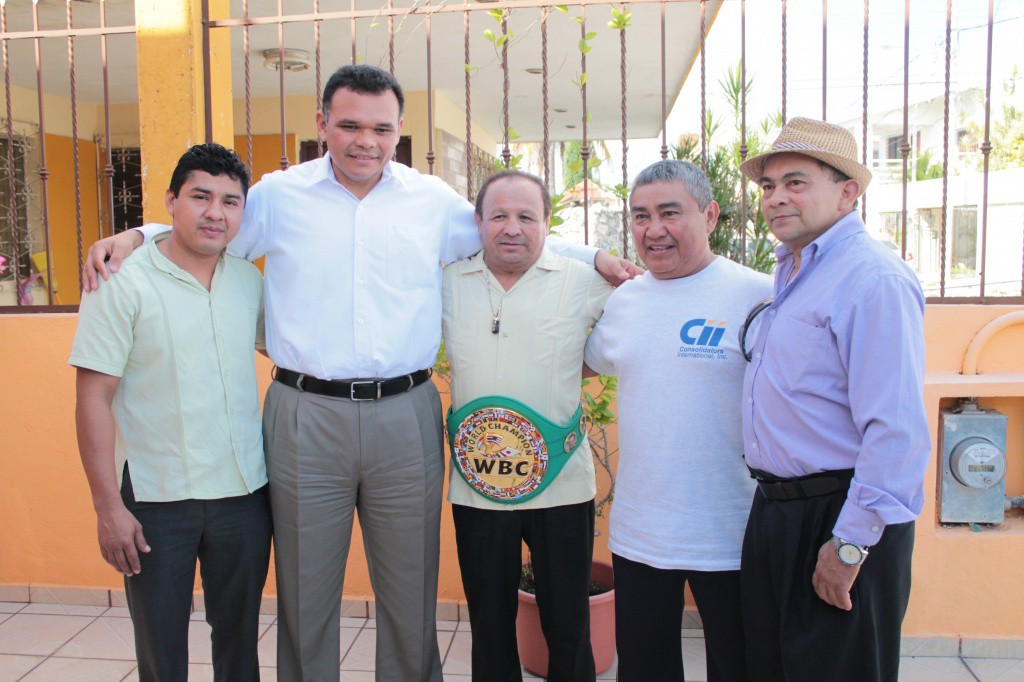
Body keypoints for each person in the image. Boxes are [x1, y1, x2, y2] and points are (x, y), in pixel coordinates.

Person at [81, 65, 640, 681]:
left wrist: (596, 257)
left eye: (380, 127)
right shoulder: (280, 195)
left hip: (406, 415)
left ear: (399, 131)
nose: (364, 141)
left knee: (409, 591)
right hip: (304, 415)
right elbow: (210, 223)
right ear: (322, 125)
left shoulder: (430, 202)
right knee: (305, 591)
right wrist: (137, 235)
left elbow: (512, 233)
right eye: (348, 125)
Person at [737, 117, 930, 681]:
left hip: (842, 515)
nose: (776, 199)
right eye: (768, 187)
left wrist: (848, 547)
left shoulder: (872, 279)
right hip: (777, 512)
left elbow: (895, 431)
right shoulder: (793, 272)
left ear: (848, 191)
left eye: (795, 182)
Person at [71, 142, 271, 681]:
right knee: (161, 651)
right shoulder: (119, 283)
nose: (215, 212)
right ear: (171, 202)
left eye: (230, 202)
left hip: (244, 496)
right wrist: (107, 507)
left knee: (240, 644)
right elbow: (93, 396)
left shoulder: (250, 283)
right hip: (157, 500)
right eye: (200, 196)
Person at [583, 159, 771, 681]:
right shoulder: (625, 301)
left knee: (741, 668)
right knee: (644, 670)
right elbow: (579, 366)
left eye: (671, 212)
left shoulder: (760, 295)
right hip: (643, 531)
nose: (653, 229)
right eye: (640, 216)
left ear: (710, 215)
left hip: (736, 529)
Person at [443, 170, 613, 682]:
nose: (511, 228)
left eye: (526, 217)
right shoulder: (447, 281)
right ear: (478, 222)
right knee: (489, 626)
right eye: (498, 216)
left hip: (561, 484)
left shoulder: (585, 281)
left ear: (547, 223)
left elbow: (630, 337)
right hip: (478, 489)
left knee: (568, 626)